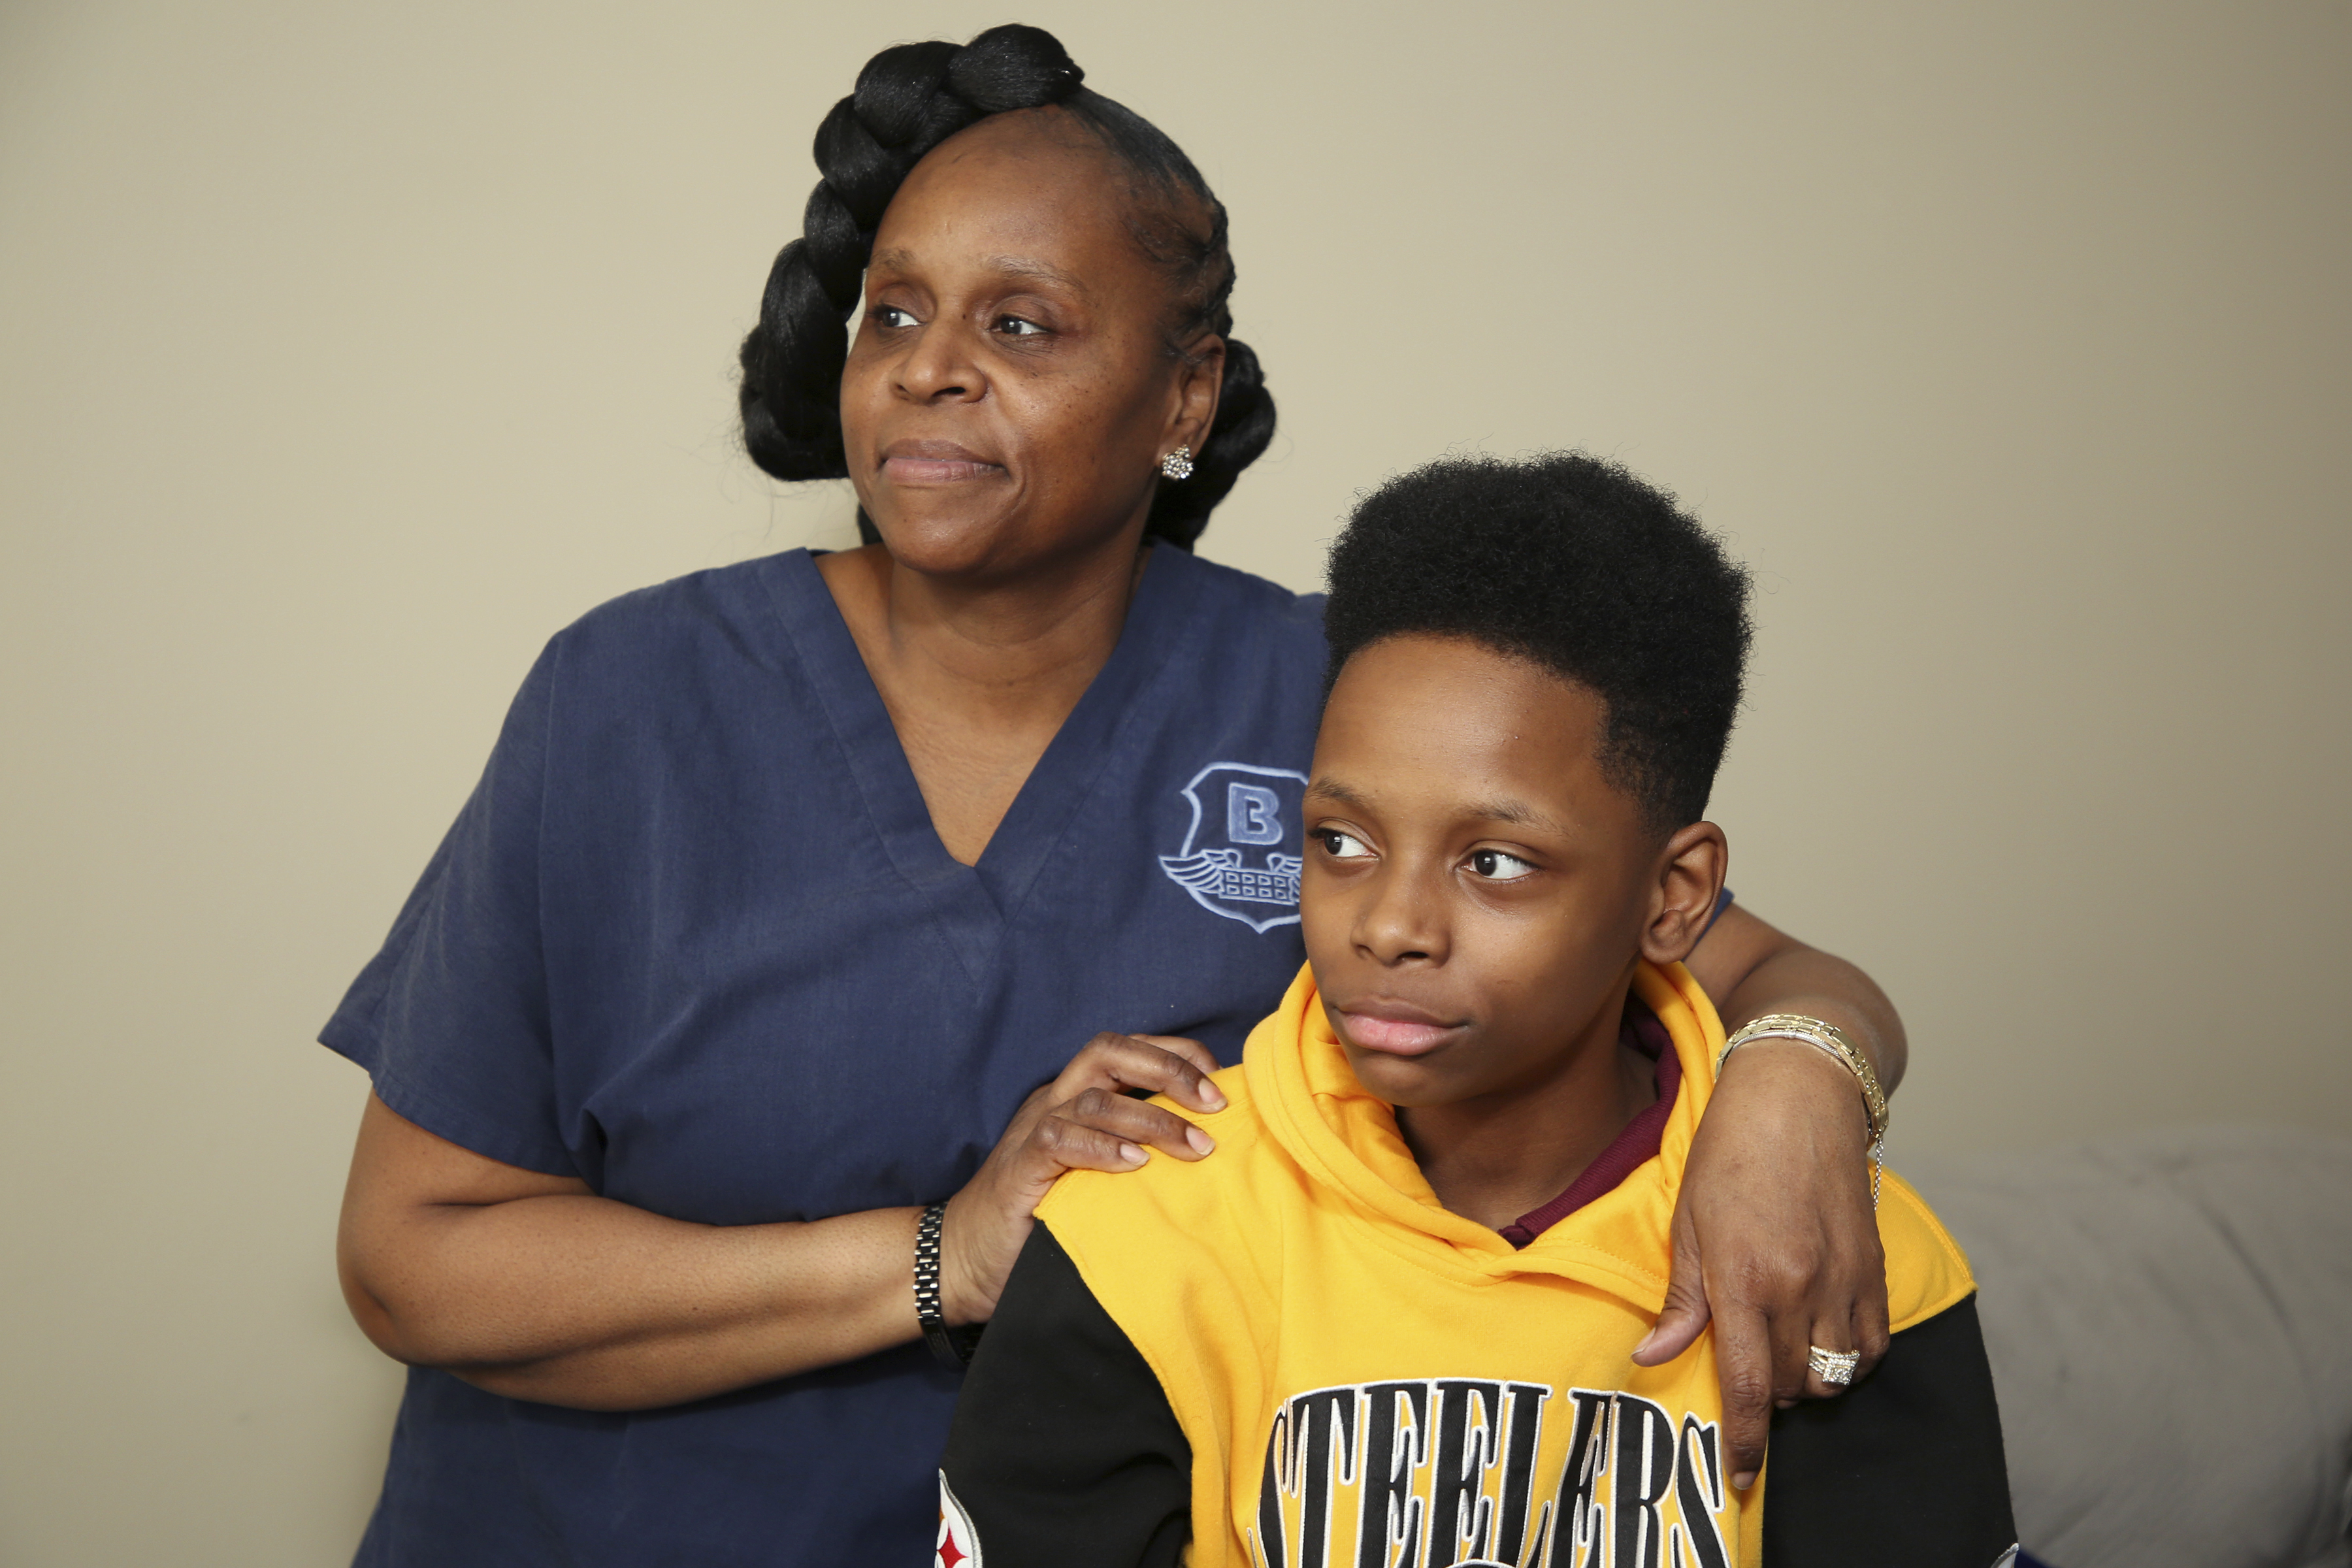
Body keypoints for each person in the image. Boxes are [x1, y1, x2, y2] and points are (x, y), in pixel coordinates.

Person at [325, 25, 1912, 1565]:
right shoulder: (630, 699)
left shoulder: (1330, 695)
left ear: (1182, 399)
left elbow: (1758, 968)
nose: (933, 370)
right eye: (894, 317)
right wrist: (942, 1256)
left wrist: (1794, 1092)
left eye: (1021, 326)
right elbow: (417, 1260)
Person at [939, 453, 2016, 1567]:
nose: (1391, 926)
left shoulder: (1825, 1241)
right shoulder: (1145, 1233)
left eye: (1495, 862)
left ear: (1672, 896)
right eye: (1341, 843)